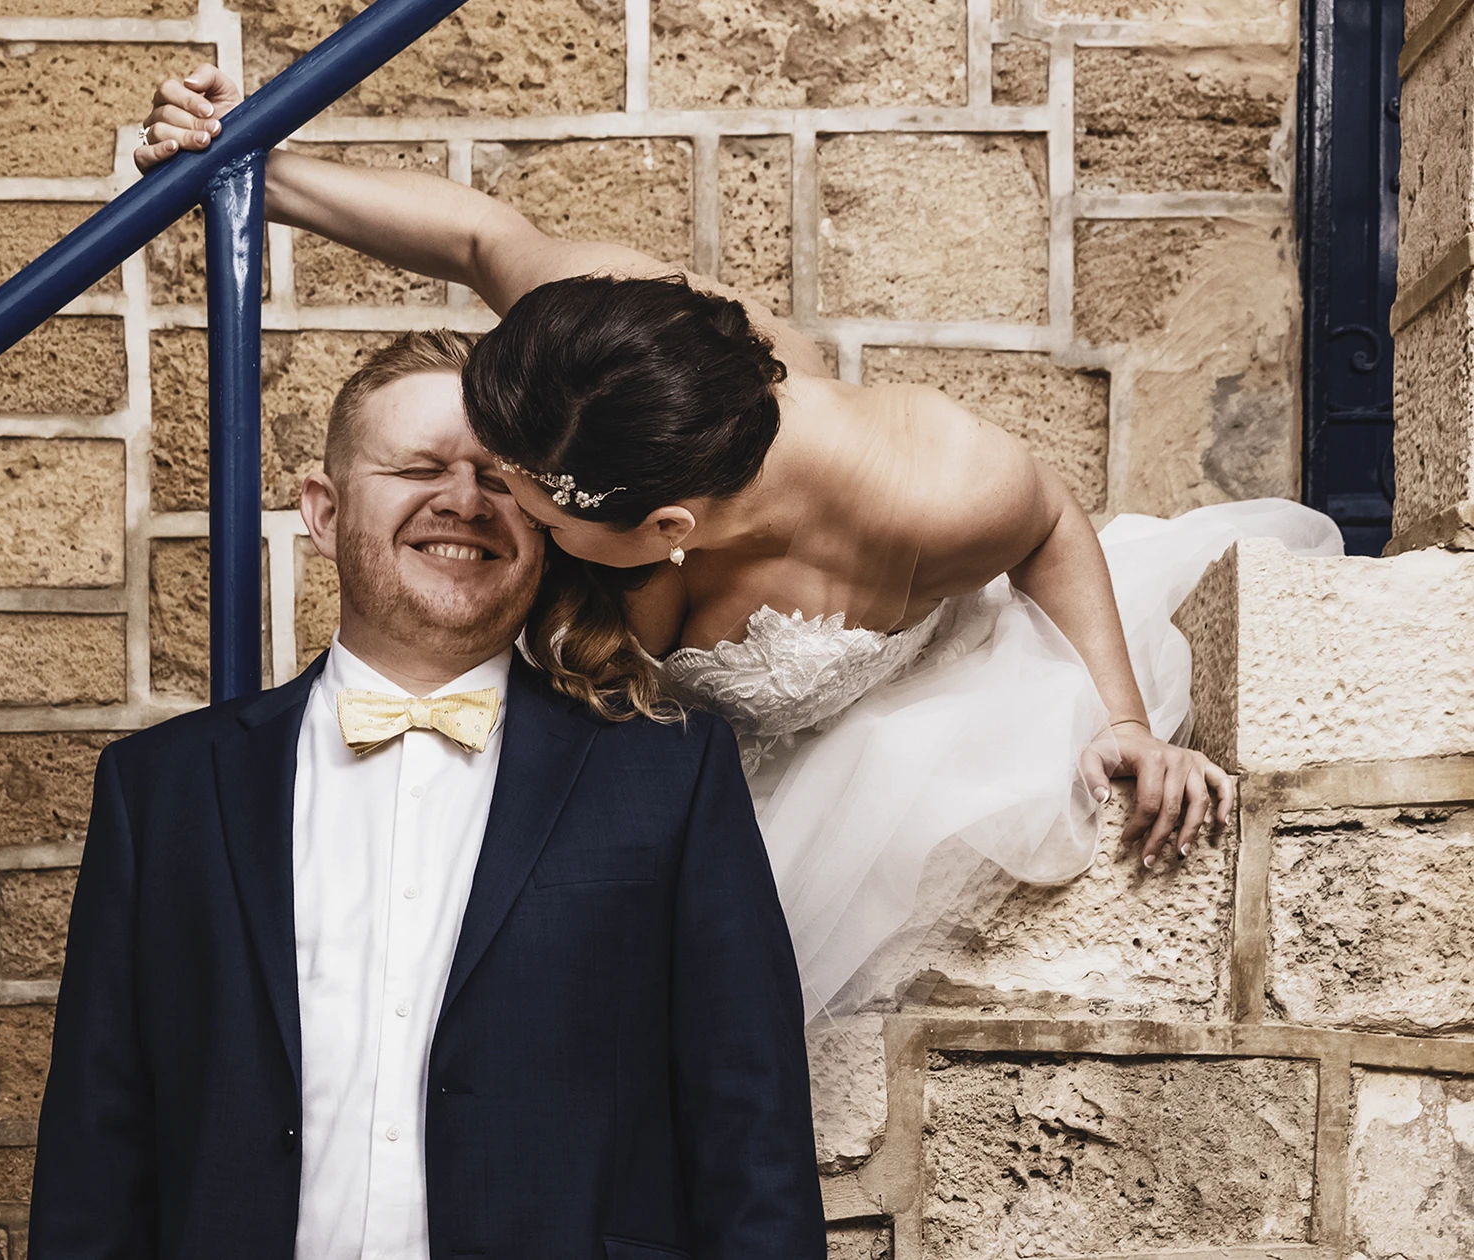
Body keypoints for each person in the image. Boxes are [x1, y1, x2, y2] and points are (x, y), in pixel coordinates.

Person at [136, 68, 1343, 1020]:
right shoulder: (599, 339)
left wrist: (1123, 716)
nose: (494, 509)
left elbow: (1049, 528)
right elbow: (473, 236)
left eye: (532, 506)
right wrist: (244, 162)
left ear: (664, 532)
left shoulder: (936, 482)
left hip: (881, 736)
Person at [29, 331, 827, 1259]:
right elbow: (97, 1141)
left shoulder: (671, 778)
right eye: (418, 467)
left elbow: (752, 1133)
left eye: (500, 479)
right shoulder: (159, 790)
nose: (462, 501)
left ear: (547, 523)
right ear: (323, 513)